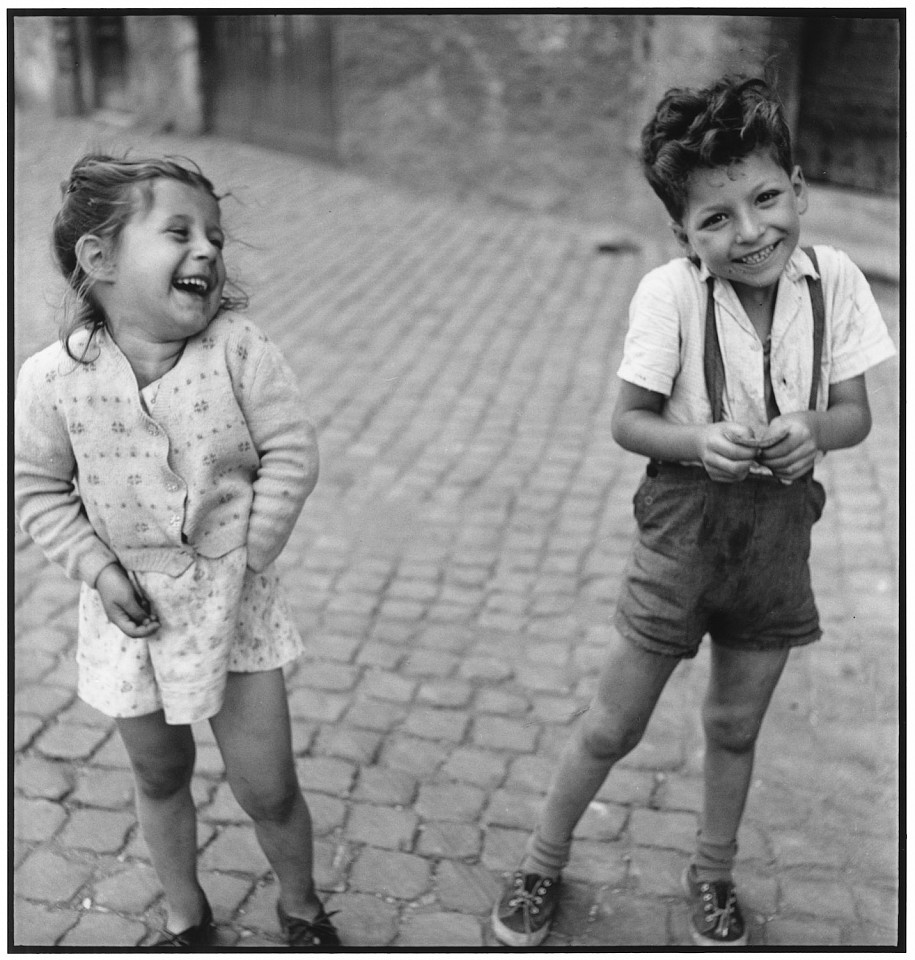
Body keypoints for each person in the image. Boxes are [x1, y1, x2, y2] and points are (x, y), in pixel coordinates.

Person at [491, 76, 896, 948]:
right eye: (716, 219)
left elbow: (854, 416)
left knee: (734, 725)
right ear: (682, 234)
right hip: (681, 535)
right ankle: (540, 859)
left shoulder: (838, 285)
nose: (750, 233)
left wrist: (811, 427)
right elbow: (627, 421)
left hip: (777, 542)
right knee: (613, 723)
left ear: (798, 186)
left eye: (765, 199)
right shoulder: (667, 296)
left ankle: (712, 873)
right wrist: (698, 441)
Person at [15, 154, 341, 948]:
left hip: (238, 613)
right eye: (179, 232)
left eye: (215, 236)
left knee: (268, 786)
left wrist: (253, 552)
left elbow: (291, 450)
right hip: (132, 617)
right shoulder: (53, 381)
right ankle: (185, 916)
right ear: (100, 261)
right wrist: (97, 569)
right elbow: (37, 492)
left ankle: (299, 906)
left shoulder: (239, 350)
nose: (207, 249)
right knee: (158, 776)